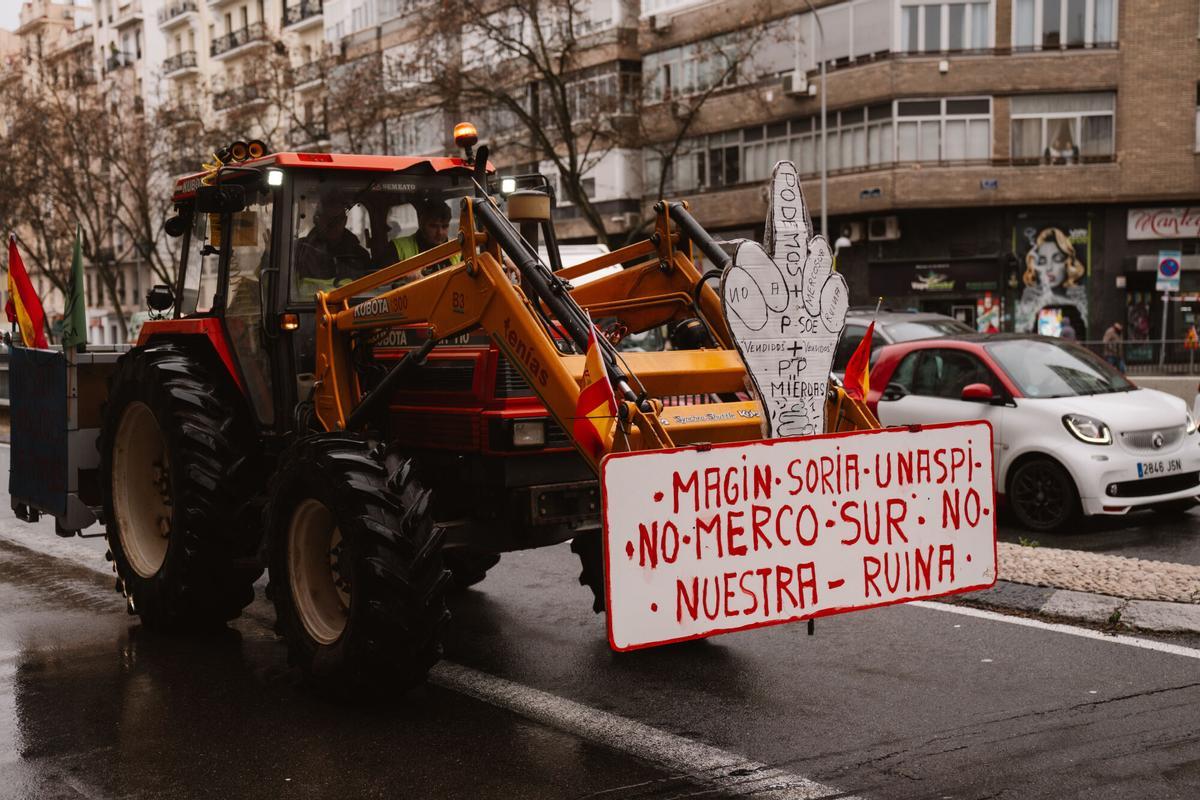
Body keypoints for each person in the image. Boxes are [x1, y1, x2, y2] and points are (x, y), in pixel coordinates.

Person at [294, 193, 373, 293]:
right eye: (328, 218)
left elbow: (370, 293)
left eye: (338, 219)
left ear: (345, 220)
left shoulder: (360, 256)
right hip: (304, 308)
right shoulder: (298, 251)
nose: (333, 224)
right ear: (316, 219)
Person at [391, 199, 460, 275]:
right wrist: (405, 280)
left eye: (445, 226)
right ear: (422, 225)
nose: (440, 232)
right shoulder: (397, 248)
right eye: (433, 226)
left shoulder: (457, 249)